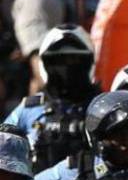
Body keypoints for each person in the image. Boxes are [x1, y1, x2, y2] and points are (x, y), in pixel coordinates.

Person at [4, 24, 99, 172]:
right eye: (59, 60)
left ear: (89, 61)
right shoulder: (28, 110)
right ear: (45, 63)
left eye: (74, 60)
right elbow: (3, 150)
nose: (67, 68)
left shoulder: (102, 107)